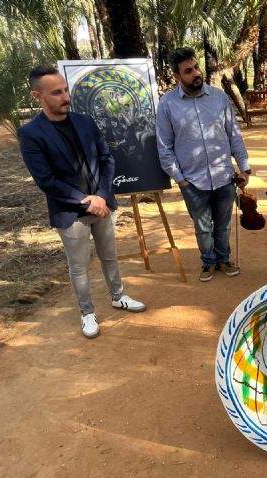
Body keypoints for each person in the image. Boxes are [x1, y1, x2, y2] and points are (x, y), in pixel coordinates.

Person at [18, 66, 146, 339]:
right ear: (37, 95)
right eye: (57, 92)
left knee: (109, 256)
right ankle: (87, 312)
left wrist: (100, 196)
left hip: (102, 204)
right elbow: (46, 180)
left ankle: (118, 296)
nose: (65, 96)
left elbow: (106, 159)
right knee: (78, 266)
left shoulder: (85, 121)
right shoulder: (31, 134)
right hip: (70, 212)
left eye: (65, 90)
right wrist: (86, 201)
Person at [156, 47, 250, 282]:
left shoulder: (219, 98)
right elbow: (164, 146)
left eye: (196, 67)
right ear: (177, 77)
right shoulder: (167, 105)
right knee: (203, 227)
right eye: (188, 71)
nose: (196, 73)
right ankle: (208, 262)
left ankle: (224, 259)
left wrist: (244, 167)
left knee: (223, 225)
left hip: (224, 176)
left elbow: (234, 135)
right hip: (192, 180)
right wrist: (181, 179)